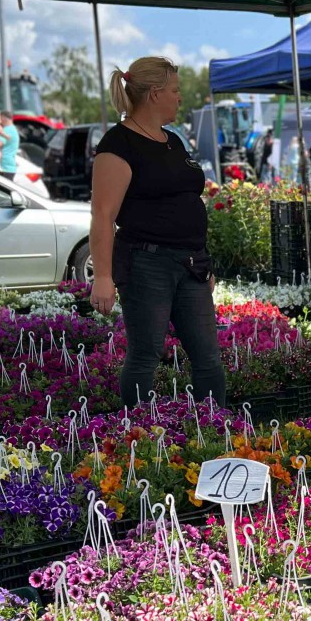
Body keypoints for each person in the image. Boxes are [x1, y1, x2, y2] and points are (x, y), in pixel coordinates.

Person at [89, 57, 225, 408]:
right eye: (175, 91)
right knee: (146, 354)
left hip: (191, 263)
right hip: (147, 262)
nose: (180, 98)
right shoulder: (118, 144)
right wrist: (102, 276)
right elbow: (103, 215)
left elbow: (185, 202)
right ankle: (139, 432)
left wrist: (203, 260)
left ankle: (214, 427)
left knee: (208, 357)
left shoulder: (173, 140)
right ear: (154, 94)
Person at [0, 110, 20, 180]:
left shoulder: (7, 130)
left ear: (3, 118)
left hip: (4, 167)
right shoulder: (12, 129)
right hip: (7, 166)